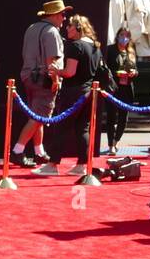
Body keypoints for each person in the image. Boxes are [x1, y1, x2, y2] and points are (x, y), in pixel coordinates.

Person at [31, 14, 103, 177]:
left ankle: (52, 165)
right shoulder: (95, 46)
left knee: (61, 128)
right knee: (82, 128)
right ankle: (82, 166)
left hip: (74, 93)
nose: (67, 28)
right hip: (89, 93)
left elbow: (70, 72)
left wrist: (57, 71)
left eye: (70, 26)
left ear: (79, 28)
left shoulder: (75, 46)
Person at [13, 0, 68, 167]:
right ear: (54, 15)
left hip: (28, 76)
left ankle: (39, 152)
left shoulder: (32, 28)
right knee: (40, 116)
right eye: (62, 14)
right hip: (44, 79)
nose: (64, 18)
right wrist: (55, 80)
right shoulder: (51, 32)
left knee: (37, 115)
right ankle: (17, 151)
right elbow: (52, 61)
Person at [104, 27, 139, 155]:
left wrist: (134, 73)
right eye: (122, 34)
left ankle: (116, 142)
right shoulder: (110, 50)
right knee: (111, 117)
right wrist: (116, 73)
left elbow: (136, 69)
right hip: (113, 88)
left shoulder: (131, 52)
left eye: (127, 35)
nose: (124, 37)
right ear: (117, 35)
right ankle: (110, 144)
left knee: (124, 118)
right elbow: (104, 69)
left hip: (127, 88)